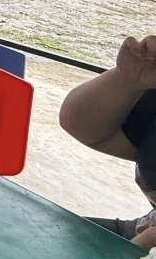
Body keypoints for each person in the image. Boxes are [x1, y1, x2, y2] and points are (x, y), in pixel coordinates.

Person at [60, 35, 156, 247]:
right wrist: (128, 80)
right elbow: (85, 128)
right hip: (142, 232)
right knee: (46, 235)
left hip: (145, 245)